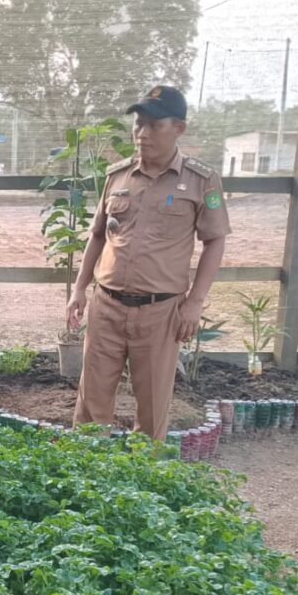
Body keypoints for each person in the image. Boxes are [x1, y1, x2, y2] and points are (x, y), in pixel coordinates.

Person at [68, 85, 231, 441]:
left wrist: (194, 303)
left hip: (160, 313)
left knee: (152, 406)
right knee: (91, 403)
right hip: (106, 306)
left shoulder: (201, 181)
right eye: (138, 124)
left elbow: (215, 240)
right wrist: (80, 288)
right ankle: (84, 476)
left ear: (179, 129)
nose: (142, 134)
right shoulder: (118, 176)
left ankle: (141, 484)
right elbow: (98, 235)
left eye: (154, 125)